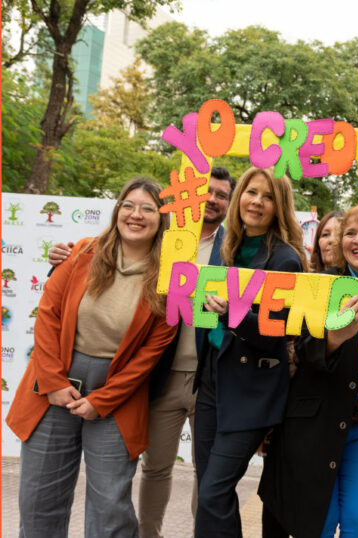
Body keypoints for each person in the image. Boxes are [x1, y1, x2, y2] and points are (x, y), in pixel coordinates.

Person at [47, 166, 236, 537]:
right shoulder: (163, 242)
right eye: (206, 192)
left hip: (211, 376)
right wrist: (61, 258)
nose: (212, 200)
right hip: (161, 375)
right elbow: (105, 263)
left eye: (221, 195)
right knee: (154, 467)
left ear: (229, 203)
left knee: (208, 472)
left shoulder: (235, 249)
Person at [6, 177, 177, 538]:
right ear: (117, 210)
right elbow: (49, 315)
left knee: (111, 508)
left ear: (161, 220)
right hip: (53, 388)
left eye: (148, 209)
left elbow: (149, 355)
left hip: (116, 396)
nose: (136, 214)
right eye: (129, 205)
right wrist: (52, 382)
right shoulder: (83, 253)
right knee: (39, 500)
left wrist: (103, 400)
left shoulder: (168, 281)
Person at [259, 205, 358, 537]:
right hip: (316, 425)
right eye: (350, 233)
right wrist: (333, 339)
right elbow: (301, 349)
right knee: (319, 520)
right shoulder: (321, 285)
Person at [193, 167, 307, 537]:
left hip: (252, 390)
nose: (256, 201)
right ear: (239, 195)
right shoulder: (224, 248)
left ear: (280, 206)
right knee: (214, 492)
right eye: (250, 192)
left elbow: (277, 332)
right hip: (211, 381)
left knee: (213, 492)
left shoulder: (285, 259)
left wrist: (233, 315)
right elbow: (202, 312)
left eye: (268, 196)